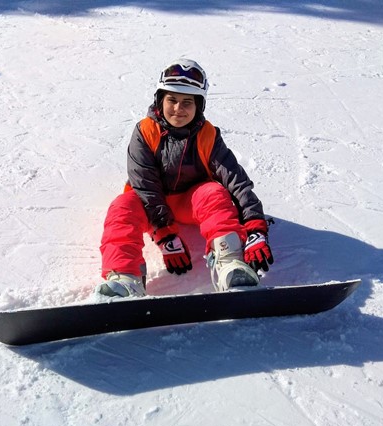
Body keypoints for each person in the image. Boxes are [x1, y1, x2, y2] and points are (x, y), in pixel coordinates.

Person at [96, 58, 274, 297]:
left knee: (214, 192)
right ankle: (125, 278)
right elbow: (144, 184)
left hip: (190, 201)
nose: (178, 109)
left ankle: (230, 265)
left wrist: (255, 227)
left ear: (198, 106)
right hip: (150, 204)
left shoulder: (207, 135)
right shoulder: (145, 131)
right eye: (172, 100)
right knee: (122, 206)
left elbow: (236, 180)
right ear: (160, 100)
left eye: (187, 102)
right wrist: (165, 232)